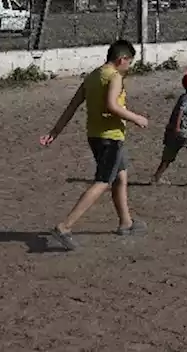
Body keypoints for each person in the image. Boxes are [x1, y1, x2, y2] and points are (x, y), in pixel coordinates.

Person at [39, 39, 150, 250]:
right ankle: (64, 227)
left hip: (95, 136)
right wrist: (137, 118)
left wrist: (55, 132)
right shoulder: (114, 76)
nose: (129, 68)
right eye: (129, 63)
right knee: (102, 182)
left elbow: (73, 105)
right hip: (111, 138)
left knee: (121, 176)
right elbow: (112, 104)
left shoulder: (93, 76)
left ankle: (126, 222)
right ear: (122, 59)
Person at [151, 70, 187, 185]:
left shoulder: (186, 97)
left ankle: (156, 177)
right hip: (180, 130)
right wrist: (178, 128)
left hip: (171, 131)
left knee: (168, 156)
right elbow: (180, 111)